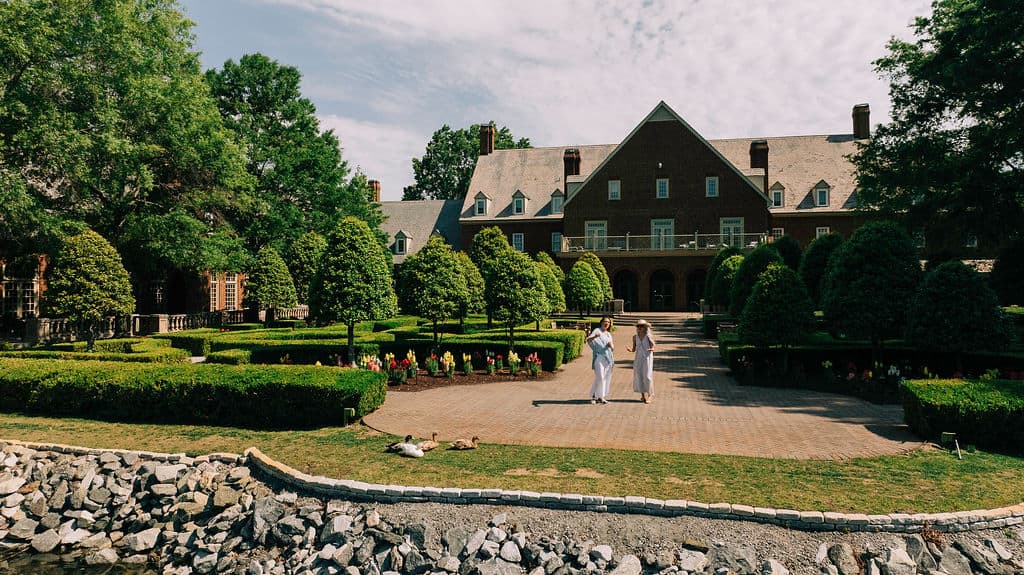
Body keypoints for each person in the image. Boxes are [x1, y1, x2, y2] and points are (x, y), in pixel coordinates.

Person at [585, 316, 614, 404]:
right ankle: (594, 395)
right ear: (601, 322)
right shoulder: (597, 331)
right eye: (605, 322)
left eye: (608, 322)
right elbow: (588, 340)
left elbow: (612, 348)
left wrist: (610, 346)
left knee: (604, 377)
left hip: (608, 358)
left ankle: (600, 397)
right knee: (600, 376)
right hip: (599, 357)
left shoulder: (608, 334)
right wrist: (594, 337)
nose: (606, 324)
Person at [626, 319, 655, 403]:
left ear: (645, 327)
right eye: (638, 326)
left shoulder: (648, 336)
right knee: (639, 375)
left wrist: (651, 349)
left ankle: (650, 394)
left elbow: (653, 346)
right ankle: (642, 396)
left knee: (647, 376)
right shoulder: (635, 337)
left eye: (641, 326)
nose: (639, 328)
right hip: (638, 357)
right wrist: (630, 350)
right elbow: (634, 348)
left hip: (647, 357)